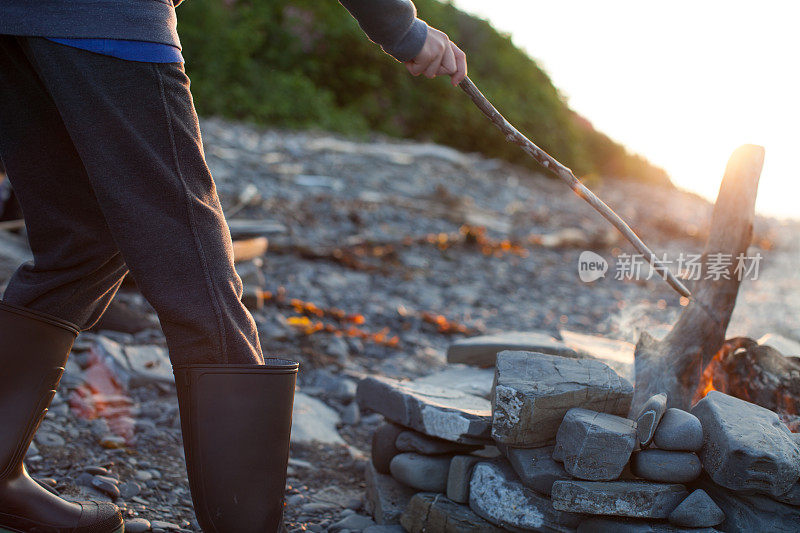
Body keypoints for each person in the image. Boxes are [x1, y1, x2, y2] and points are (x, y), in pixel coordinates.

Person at [0, 1, 467, 532]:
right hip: (105, 15)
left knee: (80, 245)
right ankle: (243, 526)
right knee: (194, 263)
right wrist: (401, 29)